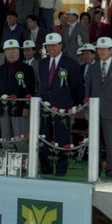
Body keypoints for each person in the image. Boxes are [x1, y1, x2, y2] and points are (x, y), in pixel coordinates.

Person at [38, 33, 82, 176]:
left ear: (60, 45)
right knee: (44, 137)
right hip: (45, 107)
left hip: (63, 108)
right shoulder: (42, 63)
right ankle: (46, 167)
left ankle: (61, 168)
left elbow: (77, 86)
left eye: (54, 45)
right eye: (48, 45)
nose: (51, 48)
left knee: (63, 138)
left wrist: (74, 105)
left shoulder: (70, 63)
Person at [86, 37, 112, 180]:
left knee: (111, 142)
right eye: (99, 49)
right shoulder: (93, 67)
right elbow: (88, 90)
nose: (100, 51)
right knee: (95, 143)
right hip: (95, 111)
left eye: (103, 49)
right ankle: (94, 171)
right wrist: (87, 109)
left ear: (111, 50)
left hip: (111, 110)